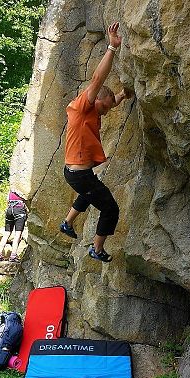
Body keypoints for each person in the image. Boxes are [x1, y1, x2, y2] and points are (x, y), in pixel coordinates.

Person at [60, 22, 132, 262]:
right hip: (79, 174)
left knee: (90, 192)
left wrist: (121, 96)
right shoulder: (84, 105)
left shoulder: (94, 110)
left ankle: (68, 222)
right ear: (98, 100)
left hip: (77, 173)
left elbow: (109, 102)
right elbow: (98, 80)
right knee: (110, 208)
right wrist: (112, 47)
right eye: (107, 106)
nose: (108, 111)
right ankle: (97, 249)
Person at [0, 191, 27, 263]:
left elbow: (7, 200)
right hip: (19, 209)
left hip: (9, 209)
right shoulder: (22, 188)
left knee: (7, 233)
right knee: (18, 234)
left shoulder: (11, 189)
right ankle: (13, 255)